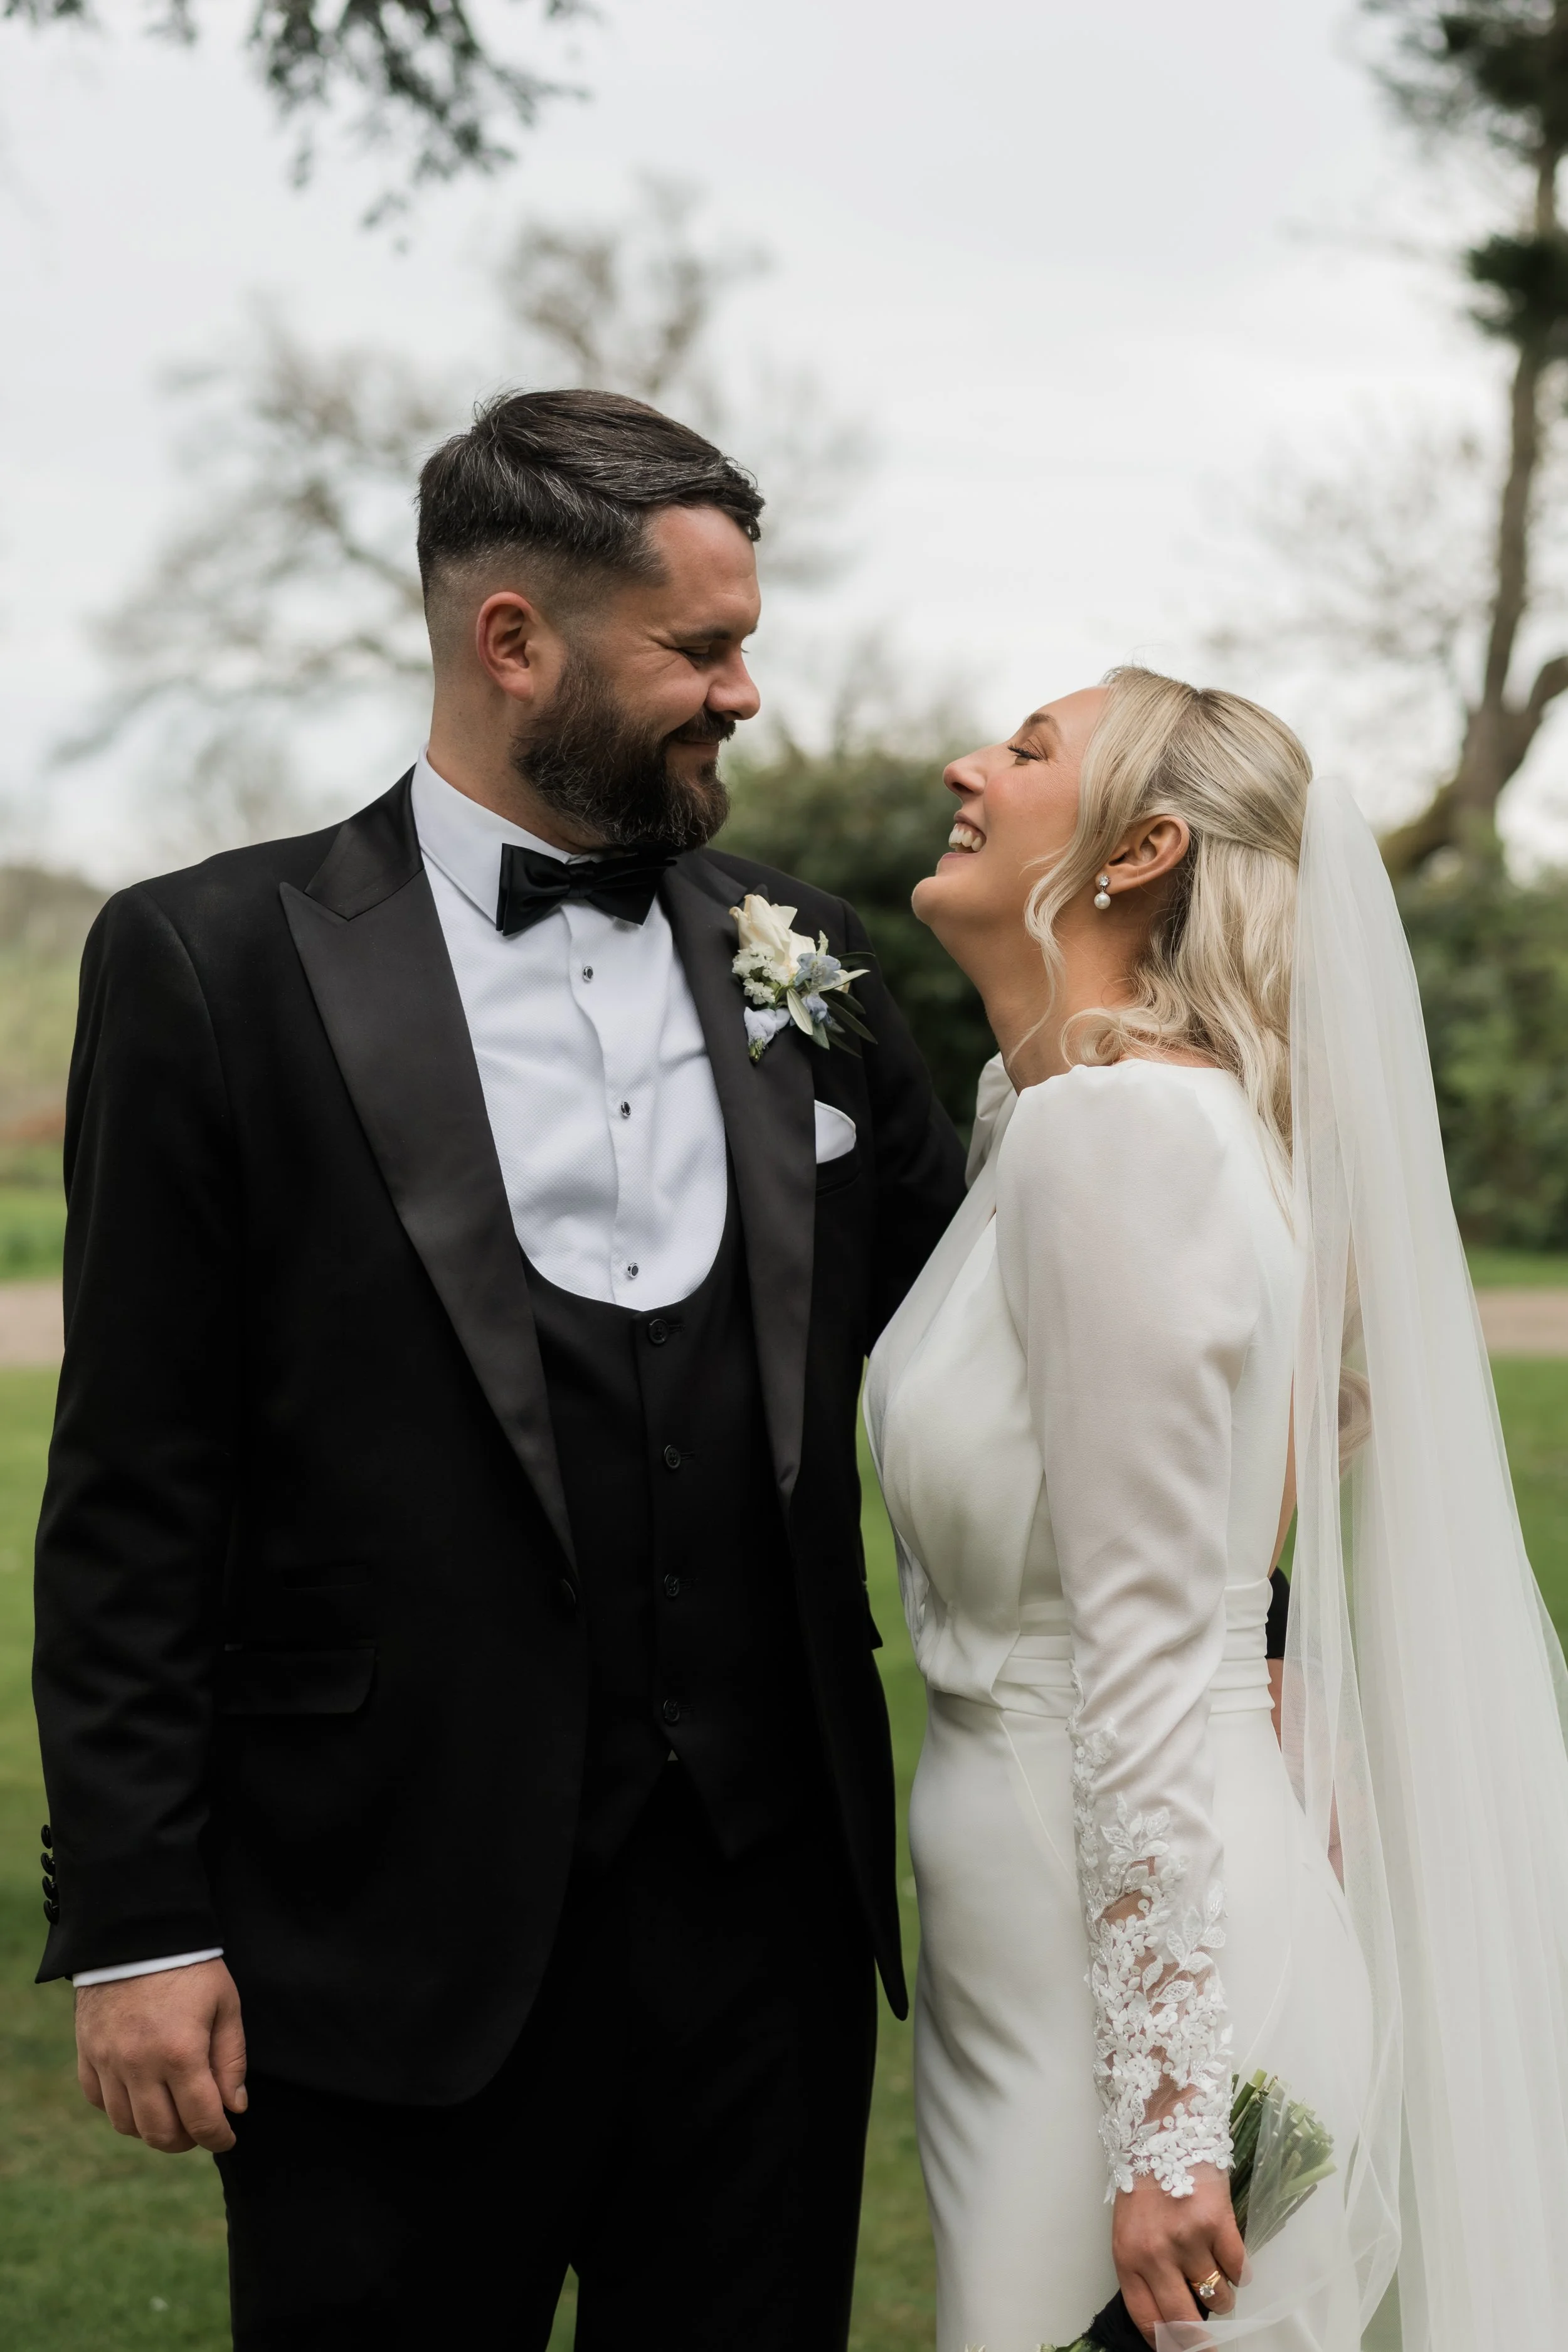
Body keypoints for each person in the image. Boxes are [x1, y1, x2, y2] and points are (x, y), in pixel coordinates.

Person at [31, 387, 967, 2349]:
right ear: (512, 640)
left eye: (745, 643)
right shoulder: (207, 963)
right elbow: (136, 1481)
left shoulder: (813, 962)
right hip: (374, 1933)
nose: (745, 696)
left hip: (760, 1944)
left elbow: (993, 1356)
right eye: (700, 650)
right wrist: (140, 1918)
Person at [864, 668, 1568, 2351]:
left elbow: (1158, 1653)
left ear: (1140, 848)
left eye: (1029, 750)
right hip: (1033, 1938)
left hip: (1133, 1991)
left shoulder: (1118, 1133)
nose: (968, 762)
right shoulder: (1050, 1115)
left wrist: (1171, 2123)